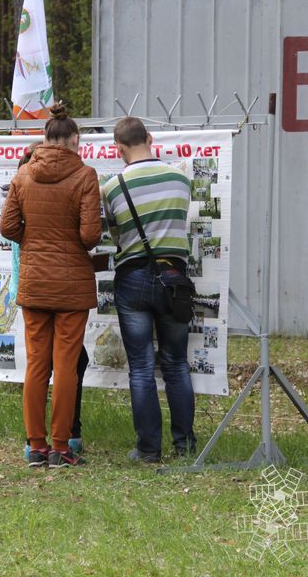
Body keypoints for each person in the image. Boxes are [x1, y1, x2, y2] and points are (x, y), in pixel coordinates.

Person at [0, 103, 101, 468]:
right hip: (72, 286)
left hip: (35, 283)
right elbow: (90, 236)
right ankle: (61, 446)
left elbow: (7, 227)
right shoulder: (86, 175)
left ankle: (36, 446)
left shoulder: (24, 175)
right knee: (66, 366)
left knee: (36, 365)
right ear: (75, 139)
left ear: (44, 139)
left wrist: (35, 241)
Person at [102, 117, 197, 463]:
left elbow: (116, 234)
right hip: (174, 278)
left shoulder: (113, 187)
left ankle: (148, 449)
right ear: (150, 138)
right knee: (177, 363)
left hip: (133, 280)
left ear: (118, 148)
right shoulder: (181, 179)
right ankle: (185, 445)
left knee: (141, 367)